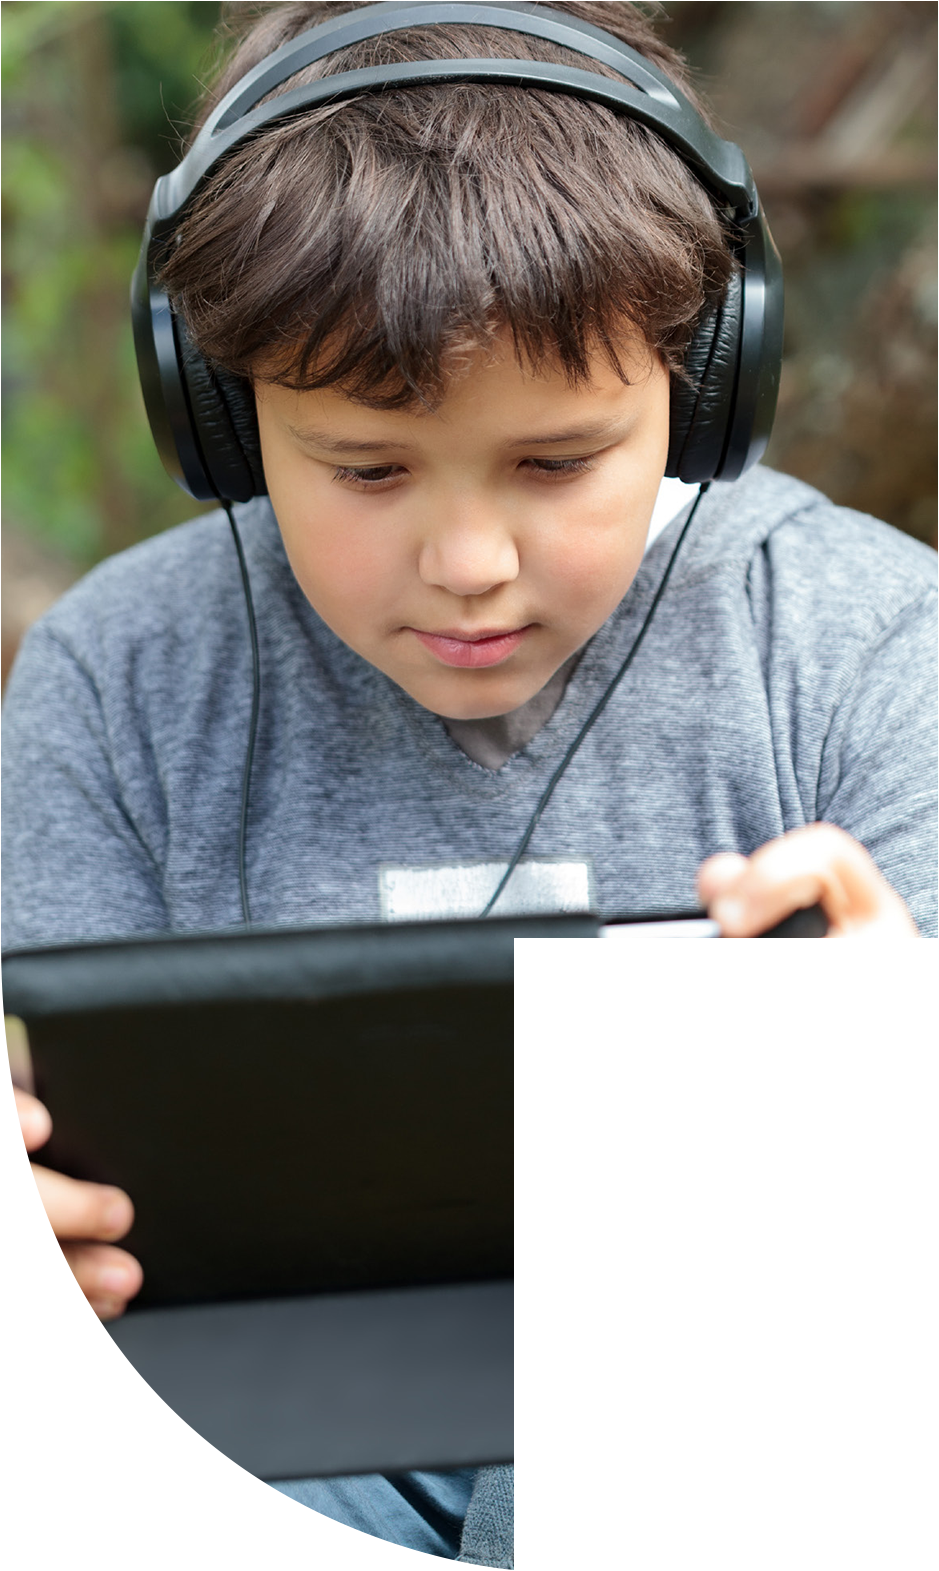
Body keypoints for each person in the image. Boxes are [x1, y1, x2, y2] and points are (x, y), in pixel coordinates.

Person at [4, 4, 936, 1566]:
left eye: (557, 461)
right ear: (219, 414)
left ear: (703, 386)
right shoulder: (119, 682)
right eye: (367, 470)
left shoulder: (864, 646)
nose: (469, 565)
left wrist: (899, 1065)